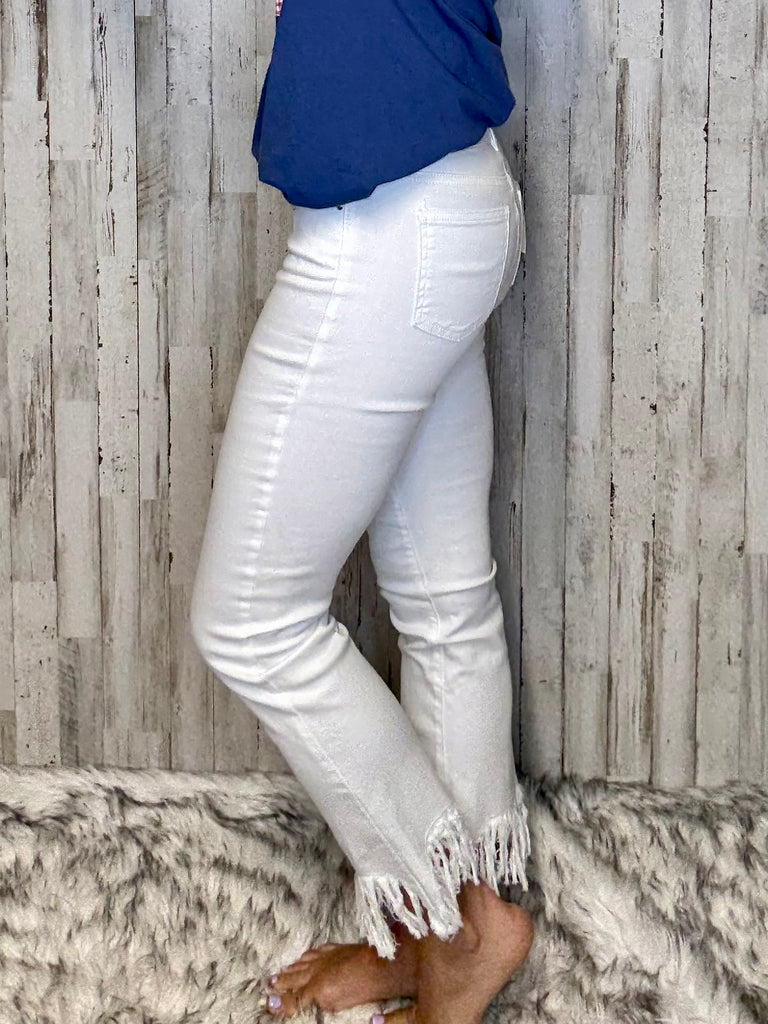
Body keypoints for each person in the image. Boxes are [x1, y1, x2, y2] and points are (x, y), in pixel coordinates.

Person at [189, 0, 535, 1021]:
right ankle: (444, 940)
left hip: (390, 241)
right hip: (447, 200)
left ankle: (461, 928)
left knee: (252, 623)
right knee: (443, 601)